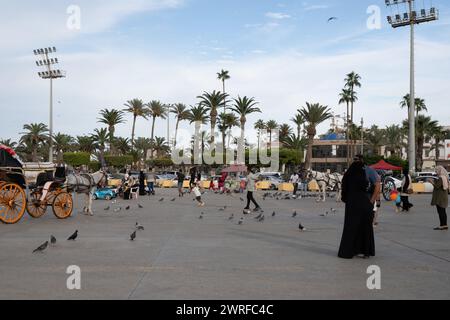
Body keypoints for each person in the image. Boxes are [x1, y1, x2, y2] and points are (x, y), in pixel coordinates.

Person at [338, 160, 375, 259]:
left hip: (352, 205)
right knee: (366, 229)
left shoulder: (347, 177)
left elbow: (344, 193)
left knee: (350, 228)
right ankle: (366, 252)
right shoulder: (362, 176)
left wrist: (348, 200)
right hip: (365, 205)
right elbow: (366, 187)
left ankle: (349, 251)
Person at [431, 166, 449, 231]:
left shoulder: (441, 178)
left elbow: (437, 186)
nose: (436, 172)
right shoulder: (445, 177)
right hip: (444, 196)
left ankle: (442, 225)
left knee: (440, 211)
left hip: (440, 197)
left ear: (440, 171)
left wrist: (431, 182)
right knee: (443, 211)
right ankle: (445, 225)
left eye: (436, 170)